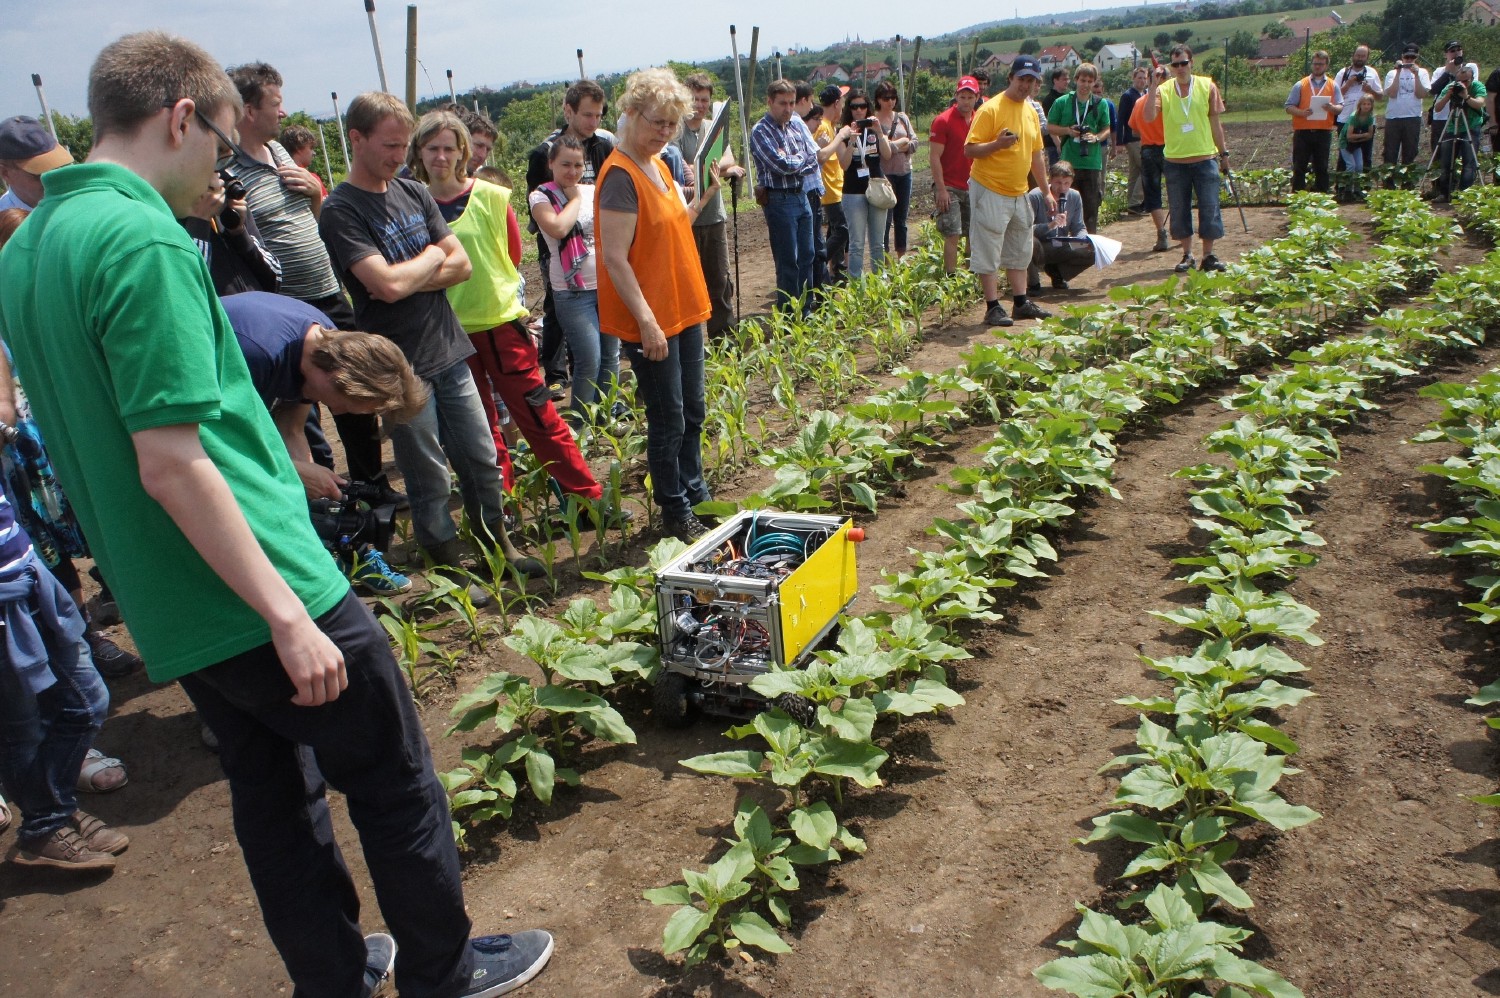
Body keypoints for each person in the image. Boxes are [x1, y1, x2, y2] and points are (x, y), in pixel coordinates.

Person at [0, 31, 554, 996]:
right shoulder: (141, 238)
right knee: (393, 779)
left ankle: (332, 978)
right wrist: (291, 615)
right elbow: (172, 462)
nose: (227, 169)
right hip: (259, 582)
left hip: (170, 599)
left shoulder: (31, 244)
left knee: (274, 799)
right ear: (182, 117)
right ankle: (444, 968)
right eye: (221, 142)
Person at [320, 91, 542, 591]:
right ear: (356, 139)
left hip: (448, 347)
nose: (401, 157)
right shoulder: (341, 209)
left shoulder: (413, 194)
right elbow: (385, 287)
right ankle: (444, 561)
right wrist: (427, 260)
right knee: (428, 474)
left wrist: (412, 271)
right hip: (400, 364)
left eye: (404, 147)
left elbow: (461, 265)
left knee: (482, 457)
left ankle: (495, 544)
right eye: (391, 146)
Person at [227, 63, 393, 501]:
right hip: (281, 305)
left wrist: (317, 195)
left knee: (356, 394)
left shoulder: (279, 154)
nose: (283, 114)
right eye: (275, 104)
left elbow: (311, 219)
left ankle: (367, 485)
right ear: (247, 110)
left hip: (323, 296)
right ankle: (317, 487)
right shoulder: (227, 170)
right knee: (303, 410)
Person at [220, 291, 423, 594]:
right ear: (340, 378)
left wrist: (311, 491)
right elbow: (212, 443)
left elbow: (292, 427)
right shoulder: (255, 355)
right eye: (349, 406)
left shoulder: (325, 341)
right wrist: (293, 473)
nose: (338, 412)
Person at [596, 68, 719, 541]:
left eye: (671, 124)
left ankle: (696, 489)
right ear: (629, 114)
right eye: (657, 122)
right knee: (667, 418)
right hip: (653, 319)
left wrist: (708, 190)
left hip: (681, 307)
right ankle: (675, 508)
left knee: (693, 409)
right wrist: (647, 323)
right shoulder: (620, 176)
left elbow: (674, 224)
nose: (665, 132)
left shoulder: (659, 164)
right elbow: (614, 258)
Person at [526, 80, 616, 398]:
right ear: (569, 111)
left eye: (598, 116)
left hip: (600, 267)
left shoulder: (604, 146)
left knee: (606, 355)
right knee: (558, 315)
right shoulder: (543, 154)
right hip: (562, 260)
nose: (593, 122)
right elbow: (547, 219)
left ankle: (605, 406)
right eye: (587, 115)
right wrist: (573, 201)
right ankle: (556, 374)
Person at [964, 54, 1055, 329]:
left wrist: (1046, 190)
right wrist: (996, 145)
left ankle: (1020, 302)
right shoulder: (990, 109)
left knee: (1020, 246)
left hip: (1019, 192)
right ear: (1010, 79)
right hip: (990, 188)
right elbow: (969, 149)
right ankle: (992, 306)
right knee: (988, 246)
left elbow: (1036, 154)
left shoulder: (1030, 110)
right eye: (1022, 79)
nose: (1026, 85)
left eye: (1031, 80)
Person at [1144, 45, 1229, 273]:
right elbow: (1149, 116)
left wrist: (1224, 154)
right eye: (1175, 64)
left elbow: (1215, 123)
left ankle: (1208, 256)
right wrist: (1153, 85)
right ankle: (1187, 255)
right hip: (1175, 160)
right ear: (1170, 67)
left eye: (1183, 63)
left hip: (1205, 157)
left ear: (1191, 62)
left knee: (1209, 207)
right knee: (1179, 209)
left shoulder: (1207, 86)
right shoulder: (1165, 90)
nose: (1180, 68)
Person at [674, 73, 744, 336]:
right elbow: (680, 171)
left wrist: (707, 167)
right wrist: (714, 168)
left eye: (704, 99)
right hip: (687, 217)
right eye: (695, 98)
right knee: (687, 284)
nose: (700, 105)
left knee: (720, 281)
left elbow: (728, 160)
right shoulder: (676, 130)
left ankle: (723, 339)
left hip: (714, 215)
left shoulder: (713, 128)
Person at [751, 79, 820, 311]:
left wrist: (795, 159)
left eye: (791, 103)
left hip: (801, 194)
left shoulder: (795, 125)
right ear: (770, 102)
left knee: (807, 255)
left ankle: (806, 308)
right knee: (788, 259)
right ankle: (789, 313)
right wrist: (798, 158)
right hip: (779, 199)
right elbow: (781, 164)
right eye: (783, 103)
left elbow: (812, 159)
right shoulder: (761, 131)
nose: (788, 108)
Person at [1047, 62, 1111, 233]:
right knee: (1066, 206)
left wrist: (1096, 137)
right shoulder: (1063, 102)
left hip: (1091, 163)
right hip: (1069, 163)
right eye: (1083, 80)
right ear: (1076, 80)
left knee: (1091, 207)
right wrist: (1068, 131)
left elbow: (1107, 128)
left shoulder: (1100, 103)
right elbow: (1050, 126)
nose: (1086, 85)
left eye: (1090, 81)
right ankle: (1065, 241)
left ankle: (1089, 243)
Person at [839, 89, 893, 281]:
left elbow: (887, 155)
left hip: (876, 187)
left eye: (862, 106)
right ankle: (855, 283)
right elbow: (844, 165)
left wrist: (879, 133)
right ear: (849, 109)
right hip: (853, 191)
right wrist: (852, 141)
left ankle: (880, 281)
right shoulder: (843, 132)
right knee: (856, 243)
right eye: (854, 107)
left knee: (878, 242)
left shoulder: (875, 128)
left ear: (868, 107)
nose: (859, 111)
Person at [930, 76, 981, 275]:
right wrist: (941, 189)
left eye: (970, 97)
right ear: (956, 96)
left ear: (977, 97)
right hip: (949, 185)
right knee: (952, 233)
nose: (966, 101)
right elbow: (934, 157)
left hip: (974, 184)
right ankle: (951, 276)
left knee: (972, 233)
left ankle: (971, 274)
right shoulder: (943, 121)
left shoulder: (980, 119)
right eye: (962, 96)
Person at [1027, 161, 1095, 295]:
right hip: (1040, 244)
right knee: (1029, 242)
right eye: (1058, 183)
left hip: (1062, 244)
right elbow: (1026, 229)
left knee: (1093, 251)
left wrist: (1085, 239)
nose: (1062, 188)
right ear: (1050, 180)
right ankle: (1033, 282)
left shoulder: (1074, 196)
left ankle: (1057, 273)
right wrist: (1051, 225)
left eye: (1067, 183)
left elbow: (1079, 226)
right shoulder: (1035, 196)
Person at [872, 80, 918, 261]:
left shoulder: (902, 118)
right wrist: (901, 143)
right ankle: (883, 257)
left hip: (904, 172)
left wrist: (893, 147)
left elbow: (914, 142)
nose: (890, 101)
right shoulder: (874, 122)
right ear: (878, 100)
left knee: (901, 218)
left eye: (893, 97)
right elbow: (877, 149)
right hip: (885, 175)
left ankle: (901, 256)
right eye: (886, 98)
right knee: (885, 219)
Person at [1128, 67, 1173, 253]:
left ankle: (1161, 232)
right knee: (1177, 189)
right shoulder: (1170, 101)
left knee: (1153, 194)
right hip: (1170, 149)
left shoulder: (1140, 102)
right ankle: (1179, 227)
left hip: (1147, 150)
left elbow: (1133, 130)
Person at [1285, 50, 1341, 194]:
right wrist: (1301, 113)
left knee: (1321, 167)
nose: (1317, 67)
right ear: (1312, 65)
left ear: (1326, 66)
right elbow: (1289, 106)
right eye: (1315, 64)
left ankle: (1322, 196)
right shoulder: (1300, 84)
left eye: (1321, 64)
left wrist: (1332, 108)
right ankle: (1298, 196)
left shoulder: (1333, 85)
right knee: (1299, 166)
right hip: (1303, 132)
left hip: (1323, 132)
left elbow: (1340, 107)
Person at [815, 85, 851, 283]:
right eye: (843, 102)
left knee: (834, 231)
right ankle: (818, 264)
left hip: (834, 189)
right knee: (842, 230)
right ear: (836, 103)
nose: (843, 106)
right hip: (829, 190)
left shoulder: (829, 125)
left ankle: (837, 272)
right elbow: (818, 155)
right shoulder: (822, 126)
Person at [1434, 63, 1486, 197]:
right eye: (1460, 81)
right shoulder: (1450, 87)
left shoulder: (1478, 86)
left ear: (1472, 79)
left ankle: (1464, 195)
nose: (1462, 84)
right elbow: (1437, 107)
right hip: (1452, 126)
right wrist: (1448, 95)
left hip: (1471, 126)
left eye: (1466, 81)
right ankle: (1444, 193)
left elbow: (1480, 103)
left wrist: (1466, 96)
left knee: (1469, 162)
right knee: (1446, 161)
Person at [0, 116, 72, 212]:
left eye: (58, 168)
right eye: (40, 174)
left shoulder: (77, 202)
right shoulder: (4, 223)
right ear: (5, 173)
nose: (52, 178)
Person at [1383, 43, 1431, 170]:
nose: (1409, 61)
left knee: (1410, 152)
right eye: (1407, 58)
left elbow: (1421, 94)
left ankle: (1407, 184)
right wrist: (1398, 72)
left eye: (1412, 58)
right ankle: (1389, 183)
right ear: (1402, 57)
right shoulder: (1392, 73)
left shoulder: (1423, 72)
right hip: (1394, 117)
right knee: (1390, 152)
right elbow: (1392, 94)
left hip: (1412, 117)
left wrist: (1416, 75)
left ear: (1416, 58)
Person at [1118, 66, 1150, 213]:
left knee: (1135, 172)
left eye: (1144, 78)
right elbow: (1121, 119)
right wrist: (1118, 142)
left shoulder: (1147, 94)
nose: (1142, 81)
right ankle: (1136, 201)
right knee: (1147, 168)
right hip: (1133, 138)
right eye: (1139, 78)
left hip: (1143, 136)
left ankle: (1131, 204)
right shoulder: (1128, 96)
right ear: (1133, 78)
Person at [1430, 41, 1468, 155]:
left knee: (1459, 153)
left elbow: (1468, 87)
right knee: (1440, 152)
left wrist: (1457, 72)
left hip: (1462, 115)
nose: (1456, 53)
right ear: (1445, 54)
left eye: (1459, 50)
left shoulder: (1469, 68)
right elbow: (1434, 90)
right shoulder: (1439, 71)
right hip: (1441, 116)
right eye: (1452, 51)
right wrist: (1447, 72)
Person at [1337, 95, 1378, 199]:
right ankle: (1347, 190)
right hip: (1345, 143)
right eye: (1364, 104)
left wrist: (1359, 138)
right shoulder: (1354, 117)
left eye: (1369, 104)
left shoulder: (1370, 117)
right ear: (1360, 105)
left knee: (1359, 166)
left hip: (1357, 143)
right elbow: (1349, 136)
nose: (1366, 106)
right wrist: (1362, 135)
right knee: (1351, 166)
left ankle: (1357, 189)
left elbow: (1370, 135)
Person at [278, 124, 327, 197]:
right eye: (311, 148)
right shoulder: (312, 179)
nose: (314, 153)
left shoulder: (279, 179)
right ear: (298, 148)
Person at [1040, 67, 1072, 166]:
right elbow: (1049, 124)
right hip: (1054, 145)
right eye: (1064, 79)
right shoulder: (1050, 100)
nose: (1067, 82)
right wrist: (1059, 144)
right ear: (1055, 80)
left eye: (1068, 79)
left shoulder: (1068, 98)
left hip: (1067, 142)